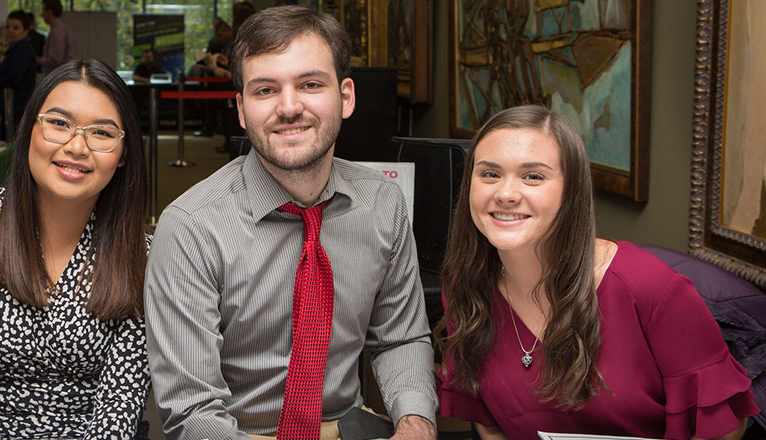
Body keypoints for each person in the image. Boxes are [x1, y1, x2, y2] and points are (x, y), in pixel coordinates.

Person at [145, 6, 437, 439]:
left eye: (310, 84)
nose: (289, 107)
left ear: (346, 96)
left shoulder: (381, 202)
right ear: (241, 110)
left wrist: (416, 423)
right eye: (265, 90)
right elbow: (193, 411)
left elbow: (400, 338)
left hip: (345, 427)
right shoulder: (192, 226)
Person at [436, 105, 758, 439]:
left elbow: (725, 429)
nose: (505, 194)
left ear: (571, 191)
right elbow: (490, 427)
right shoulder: (466, 287)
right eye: (489, 174)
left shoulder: (650, 288)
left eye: (533, 176)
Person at [0, 58, 150, 438]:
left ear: (123, 155)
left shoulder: (143, 256)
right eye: (58, 123)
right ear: (29, 131)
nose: (77, 146)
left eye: (102, 133)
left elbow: (119, 408)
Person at [0, 10, 36, 131]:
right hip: (11, 107)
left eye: (15, 28)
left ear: (25, 31)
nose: (10, 31)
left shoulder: (23, 50)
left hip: (17, 108)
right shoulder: (15, 48)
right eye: (8, 27)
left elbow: (13, 79)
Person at [40, 0, 76, 74]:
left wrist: (38, 60)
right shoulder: (62, 29)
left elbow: (56, 60)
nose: (42, 14)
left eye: (43, 10)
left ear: (50, 12)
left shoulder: (57, 31)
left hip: (58, 76)